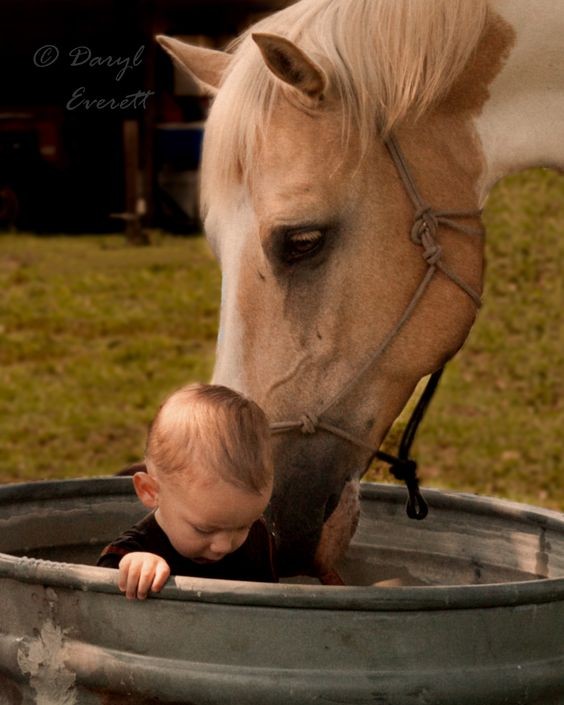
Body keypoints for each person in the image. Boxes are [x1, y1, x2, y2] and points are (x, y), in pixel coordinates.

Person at [97, 383, 277, 599]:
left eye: (243, 526)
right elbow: (97, 602)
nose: (223, 545)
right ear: (150, 491)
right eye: (204, 529)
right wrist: (132, 568)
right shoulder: (134, 551)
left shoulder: (257, 537)